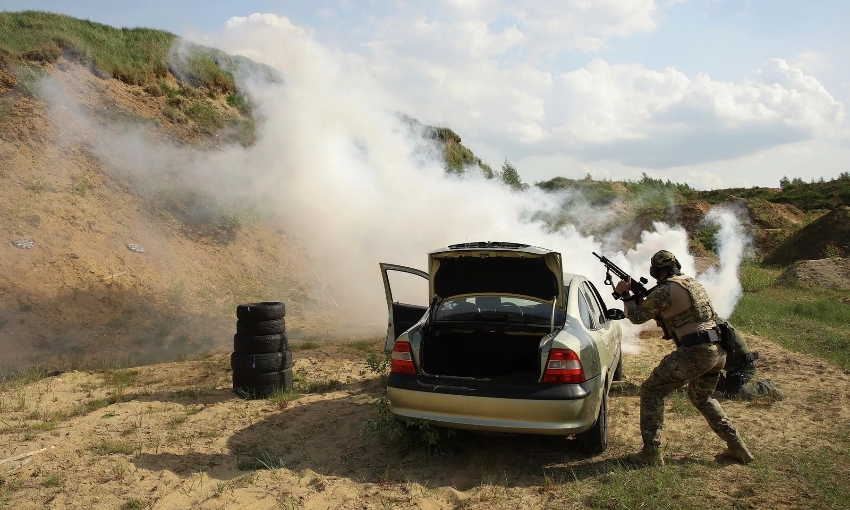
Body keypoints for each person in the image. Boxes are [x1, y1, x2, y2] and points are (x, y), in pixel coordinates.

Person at [615, 250, 754, 466]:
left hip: (695, 352)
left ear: (654, 271)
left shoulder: (664, 290)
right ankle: (737, 446)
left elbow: (635, 316)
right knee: (703, 398)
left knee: (652, 391)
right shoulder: (692, 283)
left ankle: (651, 453)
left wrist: (625, 294)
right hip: (717, 351)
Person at [714, 318, 783, 401]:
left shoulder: (718, 327)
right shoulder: (712, 324)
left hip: (744, 366)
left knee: (735, 394)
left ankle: (767, 386)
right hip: (731, 367)